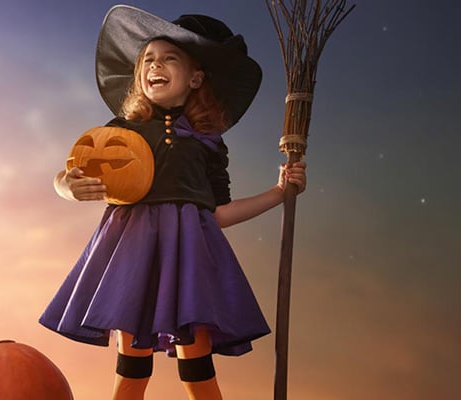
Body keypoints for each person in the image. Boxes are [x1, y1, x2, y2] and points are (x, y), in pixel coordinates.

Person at [39, 5, 306, 400]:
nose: (154, 66)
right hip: (131, 259)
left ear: (196, 77)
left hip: (189, 263)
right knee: (132, 364)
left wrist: (279, 193)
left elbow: (216, 215)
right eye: (148, 59)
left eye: (169, 59)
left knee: (197, 366)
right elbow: (73, 170)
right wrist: (67, 185)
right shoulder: (121, 133)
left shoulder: (207, 144)